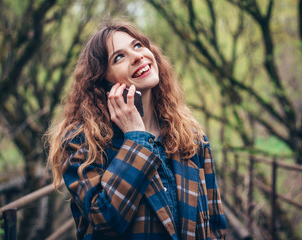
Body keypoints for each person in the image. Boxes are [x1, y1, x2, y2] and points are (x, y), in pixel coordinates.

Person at [47, 19, 227, 240]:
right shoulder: (82, 142)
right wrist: (136, 138)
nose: (137, 56)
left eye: (138, 45)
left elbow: (215, 223)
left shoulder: (190, 137)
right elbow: (104, 220)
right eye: (119, 57)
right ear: (102, 80)